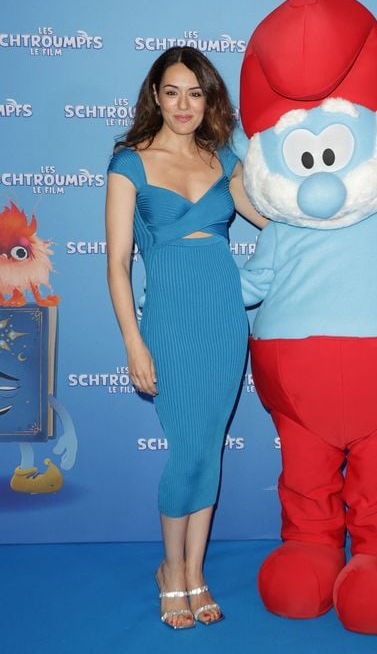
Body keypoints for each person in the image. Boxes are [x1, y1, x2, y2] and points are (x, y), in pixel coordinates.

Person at [105, 47, 267, 630]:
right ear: (155, 96)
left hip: (224, 320)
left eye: (195, 94)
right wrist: (133, 342)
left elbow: (272, 221)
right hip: (169, 322)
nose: (183, 105)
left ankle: (195, 571)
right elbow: (117, 264)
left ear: (208, 100)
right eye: (172, 92)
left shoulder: (224, 160)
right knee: (188, 450)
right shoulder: (129, 164)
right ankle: (170, 569)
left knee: (209, 448)